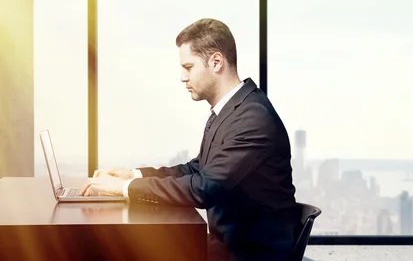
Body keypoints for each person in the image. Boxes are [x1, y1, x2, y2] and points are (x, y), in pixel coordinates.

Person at [80, 18, 300, 261]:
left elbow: (205, 188)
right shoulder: (233, 111)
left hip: (249, 254)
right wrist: (133, 176)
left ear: (216, 62)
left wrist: (123, 189)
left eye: (188, 67)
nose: (183, 78)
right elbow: (197, 169)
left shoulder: (253, 117)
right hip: (229, 246)